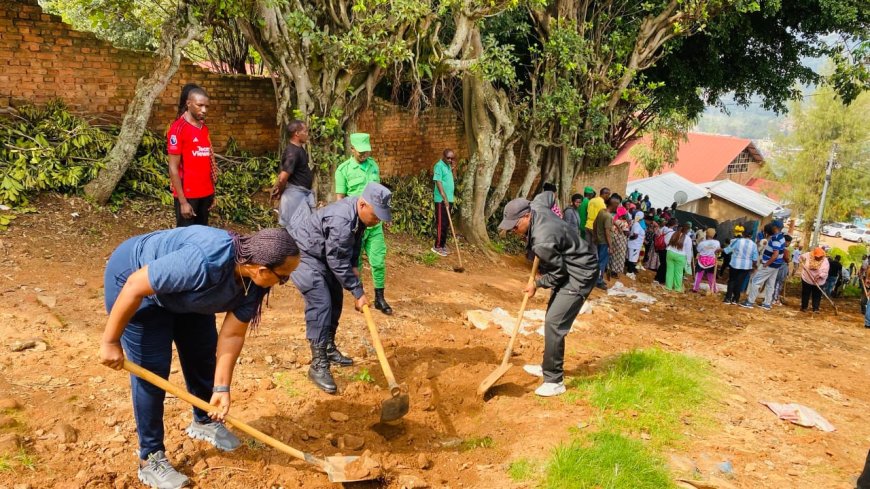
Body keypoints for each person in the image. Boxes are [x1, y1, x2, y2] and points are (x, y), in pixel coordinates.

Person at [99, 226, 299, 488]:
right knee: (153, 372)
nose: (284, 282)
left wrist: (221, 388)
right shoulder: (206, 260)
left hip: (186, 295)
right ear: (261, 269)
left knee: (202, 354)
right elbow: (136, 284)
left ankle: (204, 420)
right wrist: (110, 341)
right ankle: (150, 457)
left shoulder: (255, 284)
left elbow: (232, 335)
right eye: (283, 277)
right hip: (136, 285)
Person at [289, 183, 393, 393]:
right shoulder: (342, 220)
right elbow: (336, 260)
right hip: (304, 256)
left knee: (335, 298)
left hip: (324, 256)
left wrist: (354, 269)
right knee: (321, 303)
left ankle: (328, 348)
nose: (377, 221)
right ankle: (318, 364)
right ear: (363, 205)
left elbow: (354, 244)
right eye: (375, 216)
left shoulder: (359, 216)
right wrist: (357, 291)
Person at [498, 191, 597, 397]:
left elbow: (559, 273)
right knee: (552, 318)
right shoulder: (537, 205)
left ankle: (554, 381)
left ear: (527, 215)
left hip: (580, 273)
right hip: (570, 265)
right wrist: (556, 217)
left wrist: (537, 284)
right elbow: (550, 195)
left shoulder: (542, 240)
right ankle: (548, 366)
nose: (514, 230)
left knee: (555, 323)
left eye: (515, 226)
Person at [335, 133, 393, 315]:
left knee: (378, 260)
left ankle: (380, 298)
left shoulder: (373, 166)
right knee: (356, 262)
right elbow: (340, 200)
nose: (364, 155)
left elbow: (380, 194)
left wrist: (385, 216)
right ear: (352, 149)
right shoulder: (343, 170)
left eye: (366, 152)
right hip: (355, 225)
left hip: (374, 224)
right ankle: (358, 297)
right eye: (361, 152)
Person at [167, 84, 217, 227]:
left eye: (206, 106)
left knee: (201, 234)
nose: (204, 110)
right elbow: (173, 168)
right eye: (200, 105)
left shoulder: (204, 128)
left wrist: (212, 194)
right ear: (188, 104)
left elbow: (207, 163)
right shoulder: (177, 129)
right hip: (188, 196)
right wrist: (183, 202)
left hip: (206, 194)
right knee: (185, 236)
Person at [272, 120, 315, 232]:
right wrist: (280, 191)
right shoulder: (293, 153)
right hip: (295, 196)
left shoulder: (298, 149)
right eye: (305, 131)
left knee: (304, 228)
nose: (307, 134)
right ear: (297, 133)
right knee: (299, 230)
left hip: (302, 193)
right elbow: (283, 177)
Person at [740, 220, 786, 311]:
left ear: (775, 227)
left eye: (772, 225)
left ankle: (750, 301)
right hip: (776, 265)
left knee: (756, 281)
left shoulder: (775, 238)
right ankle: (767, 304)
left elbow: (775, 254)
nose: (770, 226)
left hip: (770, 264)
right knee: (770, 284)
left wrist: (766, 264)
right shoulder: (781, 237)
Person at [723, 225, 758, 304]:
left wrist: (719, 249)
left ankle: (728, 298)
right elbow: (755, 259)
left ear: (743, 233)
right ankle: (735, 299)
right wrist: (754, 266)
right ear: (751, 235)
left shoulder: (738, 241)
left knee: (732, 280)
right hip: (746, 266)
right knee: (739, 282)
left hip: (735, 264)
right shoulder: (754, 245)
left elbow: (728, 250)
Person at [432, 149, 456, 257]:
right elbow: (438, 182)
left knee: (446, 223)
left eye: (452, 158)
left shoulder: (448, 166)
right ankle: (437, 247)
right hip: (441, 200)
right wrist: (444, 197)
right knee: (441, 223)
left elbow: (454, 178)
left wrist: (453, 168)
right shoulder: (439, 166)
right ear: (443, 156)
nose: (450, 160)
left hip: (449, 199)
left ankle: (442, 245)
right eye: (448, 158)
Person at [593, 196, 619, 289]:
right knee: (602, 262)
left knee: (599, 260)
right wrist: (610, 246)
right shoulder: (608, 216)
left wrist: (595, 236)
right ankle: (598, 281)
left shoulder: (601, 211)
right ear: (614, 205)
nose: (618, 207)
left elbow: (594, 223)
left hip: (600, 240)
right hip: (605, 242)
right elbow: (607, 232)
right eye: (617, 205)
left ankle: (597, 278)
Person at [798, 247, 829, 313]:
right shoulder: (809, 255)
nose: (818, 257)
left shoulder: (825, 261)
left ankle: (815, 308)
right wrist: (800, 260)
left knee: (817, 295)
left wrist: (819, 276)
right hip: (807, 279)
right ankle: (804, 307)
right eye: (817, 256)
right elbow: (800, 257)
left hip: (818, 281)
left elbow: (825, 272)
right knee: (805, 293)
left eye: (820, 256)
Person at [665, 222, 693, 292]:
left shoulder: (673, 233)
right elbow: (688, 251)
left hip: (670, 252)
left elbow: (666, 241)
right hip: (681, 256)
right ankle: (677, 288)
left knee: (669, 271)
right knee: (678, 273)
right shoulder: (688, 239)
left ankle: (668, 287)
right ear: (688, 229)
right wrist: (688, 261)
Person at [692, 228, 721, 293]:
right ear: (714, 235)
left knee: (698, 275)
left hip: (702, 260)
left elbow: (698, 250)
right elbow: (718, 250)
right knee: (711, 276)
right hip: (711, 261)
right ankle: (714, 289)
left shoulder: (702, 243)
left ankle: (695, 288)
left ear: (706, 234)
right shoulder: (717, 242)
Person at [608, 205, 629, 279]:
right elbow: (626, 233)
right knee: (619, 257)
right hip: (621, 242)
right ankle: (614, 272)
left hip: (613, 240)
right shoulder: (624, 223)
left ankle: (609, 269)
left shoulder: (614, 220)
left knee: (612, 255)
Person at [654, 218, 677, 285]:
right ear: (674, 224)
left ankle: (659, 278)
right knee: (664, 265)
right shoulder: (672, 232)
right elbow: (667, 242)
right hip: (666, 249)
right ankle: (659, 278)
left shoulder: (664, 229)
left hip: (661, 248)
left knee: (663, 264)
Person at [772, 235, 793, 304]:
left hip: (775, 266)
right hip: (782, 267)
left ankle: (773, 297)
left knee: (774, 282)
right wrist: (789, 260)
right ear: (786, 242)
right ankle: (775, 299)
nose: (789, 244)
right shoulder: (785, 250)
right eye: (789, 242)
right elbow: (787, 259)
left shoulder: (776, 247)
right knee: (779, 283)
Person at [626, 211, 645, 280]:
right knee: (632, 259)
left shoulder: (636, 223)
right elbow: (635, 235)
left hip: (635, 244)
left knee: (632, 258)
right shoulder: (637, 224)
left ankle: (630, 271)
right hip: (634, 244)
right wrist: (629, 239)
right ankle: (629, 272)